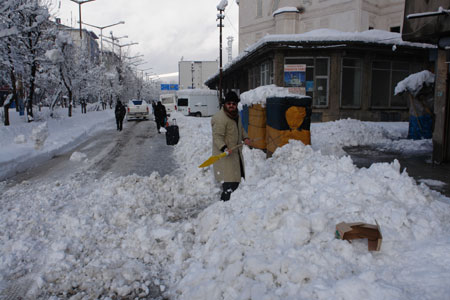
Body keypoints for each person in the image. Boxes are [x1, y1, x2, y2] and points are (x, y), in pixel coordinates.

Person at [211, 91, 251, 201]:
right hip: (225, 156)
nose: (231, 106)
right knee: (229, 182)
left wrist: (245, 137)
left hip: (235, 154)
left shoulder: (235, 115)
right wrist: (224, 148)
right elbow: (217, 136)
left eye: (234, 103)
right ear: (225, 104)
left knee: (236, 180)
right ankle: (224, 207)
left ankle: (231, 205)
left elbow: (241, 129)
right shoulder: (221, 118)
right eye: (229, 103)